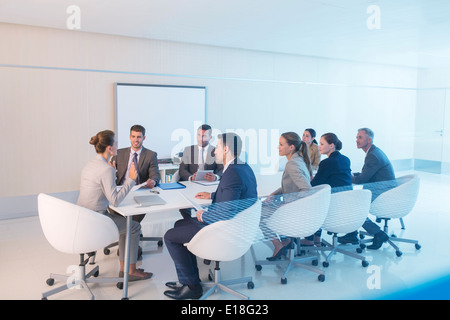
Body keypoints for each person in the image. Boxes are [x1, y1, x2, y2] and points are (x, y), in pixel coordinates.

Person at [163, 132, 257, 300]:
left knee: (170, 236)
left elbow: (226, 212)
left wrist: (203, 216)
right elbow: (235, 196)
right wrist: (212, 196)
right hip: (236, 225)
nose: (215, 152)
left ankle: (192, 287)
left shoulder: (232, 173)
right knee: (179, 224)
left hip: (225, 229)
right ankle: (189, 280)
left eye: (218, 147)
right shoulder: (242, 167)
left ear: (226, 149)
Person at [77, 130, 152, 281]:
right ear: (109, 148)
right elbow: (115, 201)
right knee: (134, 226)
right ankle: (130, 271)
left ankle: (125, 269)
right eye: (116, 143)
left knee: (127, 227)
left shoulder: (91, 164)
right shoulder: (106, 169)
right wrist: (131, 179)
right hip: (96, 219)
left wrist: (111, 172)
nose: (118, 145)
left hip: (82, 216)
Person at [338, 128, 397, 250]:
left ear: (369, 140)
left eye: (360, 138)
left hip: (383, 193)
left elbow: (361, 180)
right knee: (353, 202)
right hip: (382, 189)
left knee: (355, 206)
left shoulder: (373, 156)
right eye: (356, 137)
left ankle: (377, 233)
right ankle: (352, 234)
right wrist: (352, 175)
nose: (356, 140)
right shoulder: (373, 152)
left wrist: (345, 175)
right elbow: (366, 175)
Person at [260, 132, 312, 260]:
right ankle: (287, 240)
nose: (278, 147)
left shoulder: (292, 164)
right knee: (266, 207)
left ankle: (278, 245)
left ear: (291, 147)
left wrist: (289, 204)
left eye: (281, 144)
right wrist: (275, 193)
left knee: (258, 213)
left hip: (294, 210)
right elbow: (291, 184)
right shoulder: (297, 160)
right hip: (297, 209)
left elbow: (307, 190)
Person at [306, 133, 352, 245]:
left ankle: (309, 239)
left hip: (334, 205)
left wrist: (308, 180)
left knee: (312, 202)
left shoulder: (326, 163)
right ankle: (315, 239)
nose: (318, 146)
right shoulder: (345, 159)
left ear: (331, 146)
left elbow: (315, 184)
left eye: (322, 144)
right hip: (347, 203)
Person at [113, 124, 160, 223]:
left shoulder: (151, 155)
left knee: (134, 222)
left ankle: (133, 231)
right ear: (130, 137)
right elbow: (110, 172)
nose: (136, 140)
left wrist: (153, 181)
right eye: (133, 136)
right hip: (121, 191)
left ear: (144, 138)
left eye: (139, 137)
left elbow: (155, 175)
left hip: (139, 192)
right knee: (118, 218)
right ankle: (130, 233)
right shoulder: (119, 153)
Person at [178, 124, 223, 219]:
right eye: (198, 135)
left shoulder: (216, 151)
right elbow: (182, 169)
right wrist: (190, 177)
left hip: (208, 185)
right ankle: (188, 221)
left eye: (204, 136)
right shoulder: (188, 150)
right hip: (191, 184)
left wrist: (216, 177)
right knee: (184, 206)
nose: (200, 139)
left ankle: (206, 218)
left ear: (210, 137)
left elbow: (222, 169)